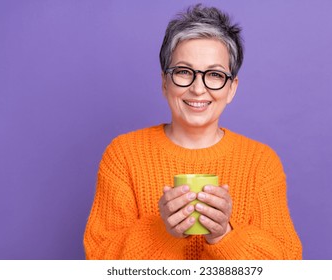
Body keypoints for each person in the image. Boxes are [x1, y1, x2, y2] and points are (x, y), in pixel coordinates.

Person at [83, 4, 302, 260]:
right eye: (184, 72)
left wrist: (225, 235)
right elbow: (99, 258)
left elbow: (288, 263)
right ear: (165, 83)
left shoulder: (261, 163)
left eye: (215, 75)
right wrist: (162, 232)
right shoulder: (123, 155)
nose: (198, 89)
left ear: (231, 88)